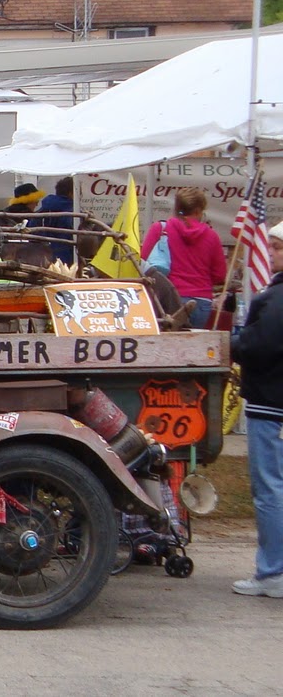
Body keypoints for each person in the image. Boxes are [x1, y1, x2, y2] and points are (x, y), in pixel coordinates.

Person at [232, 220, 283, 597]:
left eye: (277, 248)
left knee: (270, 490)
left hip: (271, 402)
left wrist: (232, 341)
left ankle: (272, 571)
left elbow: (257, 345)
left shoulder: (276, 300)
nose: (271, 253)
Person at [141, 187, 227, 329]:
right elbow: (219, 276)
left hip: (168, 300)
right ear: (198, 211)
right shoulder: (212, 236)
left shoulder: (160, 229)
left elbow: (143, 262)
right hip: (201, 302)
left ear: (176, 207)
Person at [30, 176, 76, 263]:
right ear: (71, 193)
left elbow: (31, 230)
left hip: (41, 260)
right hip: (67, 261)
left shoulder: (41, 211)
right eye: (79, 192)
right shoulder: (74, 213)